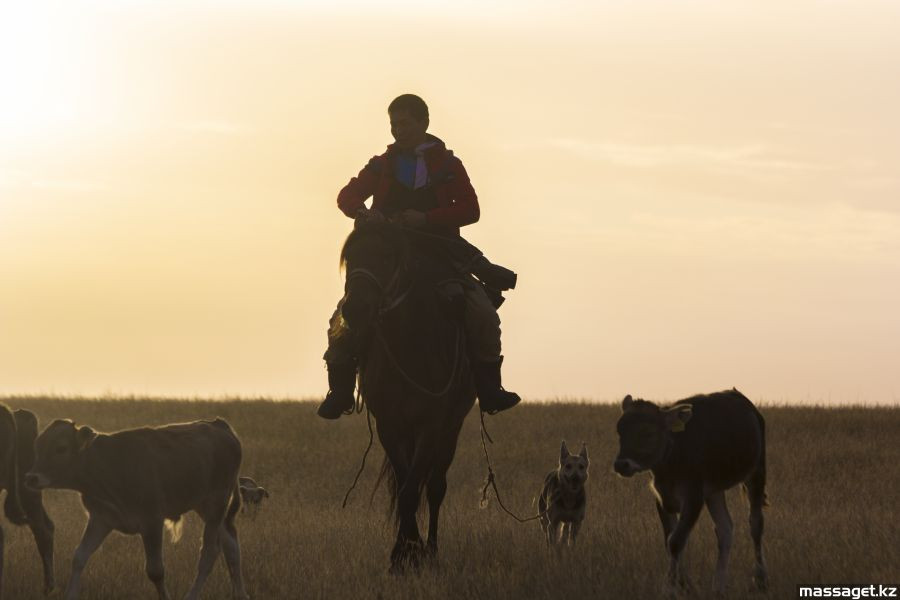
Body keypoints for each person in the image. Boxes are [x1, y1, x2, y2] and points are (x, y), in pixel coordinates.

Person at [318, 93, 520, 419]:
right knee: (346, 314)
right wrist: (364, 213)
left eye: (405, 123)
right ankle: (339, 391)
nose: (398, 130)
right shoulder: (381, 164)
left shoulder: (449, 166)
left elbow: (470, 210)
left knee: (482, 314)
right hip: (387, 255)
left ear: (424, 123)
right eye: (394, 124)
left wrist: (425, 219)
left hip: (440, 253)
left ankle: (490, 390)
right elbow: (347, 196)